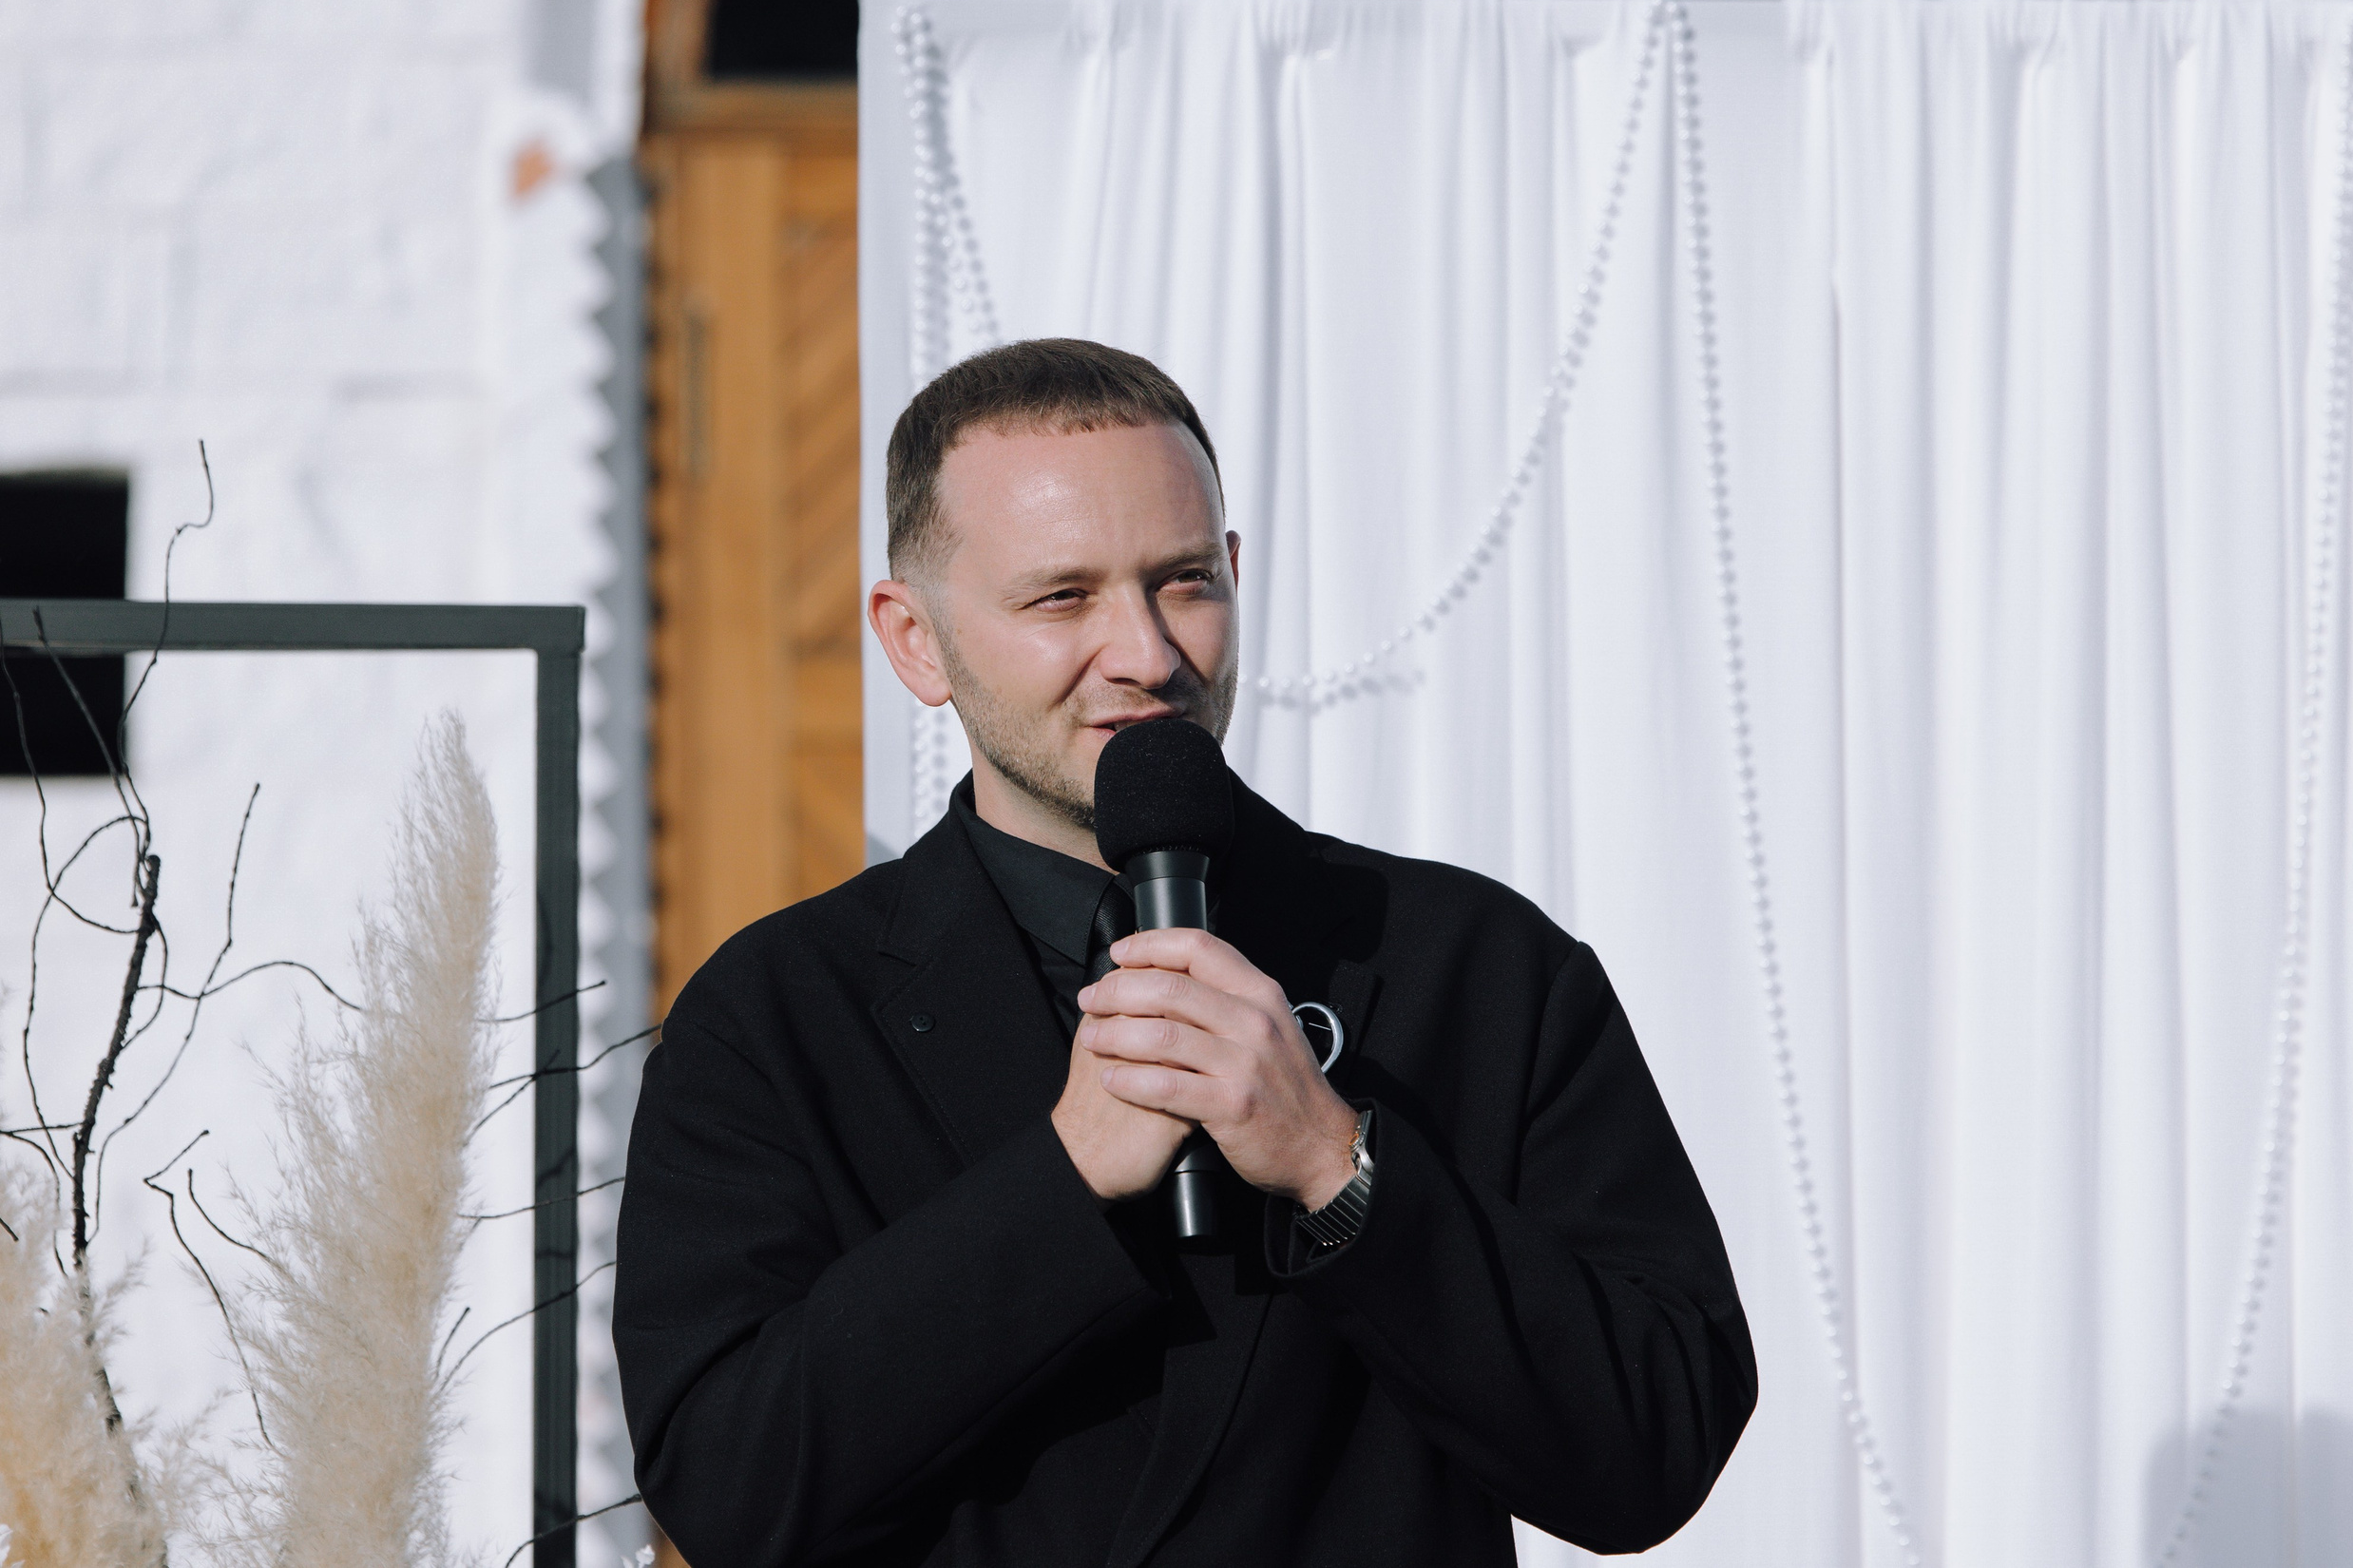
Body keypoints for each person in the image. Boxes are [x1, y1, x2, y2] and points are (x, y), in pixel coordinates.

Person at [614, 338, 1756, 1567]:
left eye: (1183, 581)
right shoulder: (779, 1014)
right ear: (916, 642)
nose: (1148, 653)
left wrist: (1338, 1164)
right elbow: (730, 1493)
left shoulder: (1475, 967)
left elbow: (1655, 1446)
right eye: (1063, 597)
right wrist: (1063, 1182)